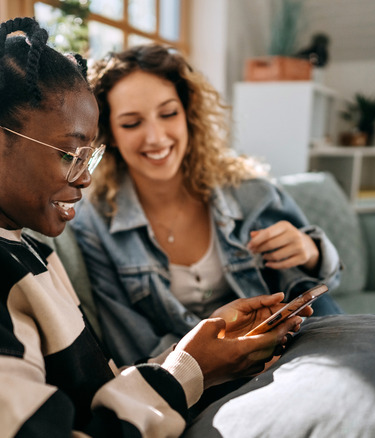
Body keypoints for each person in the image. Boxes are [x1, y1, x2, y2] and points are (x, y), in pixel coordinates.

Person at [0, 18, 307, 437]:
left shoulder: (20, 248)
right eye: (69, 154)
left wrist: (195, 358)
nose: (85, 176)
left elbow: (93, 402)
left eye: (90, 156)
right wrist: (194, 371)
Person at [70, 44, 344, 366]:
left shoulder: (251, 192)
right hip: (202, 379)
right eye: (132, 123)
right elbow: (134, 347)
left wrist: (311, 252)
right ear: (110, 133)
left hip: (296, 354)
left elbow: (319, 289)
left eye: (168, 113)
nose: (156, 137)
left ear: (188, 114)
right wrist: (227, 360)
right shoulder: (94, 226)